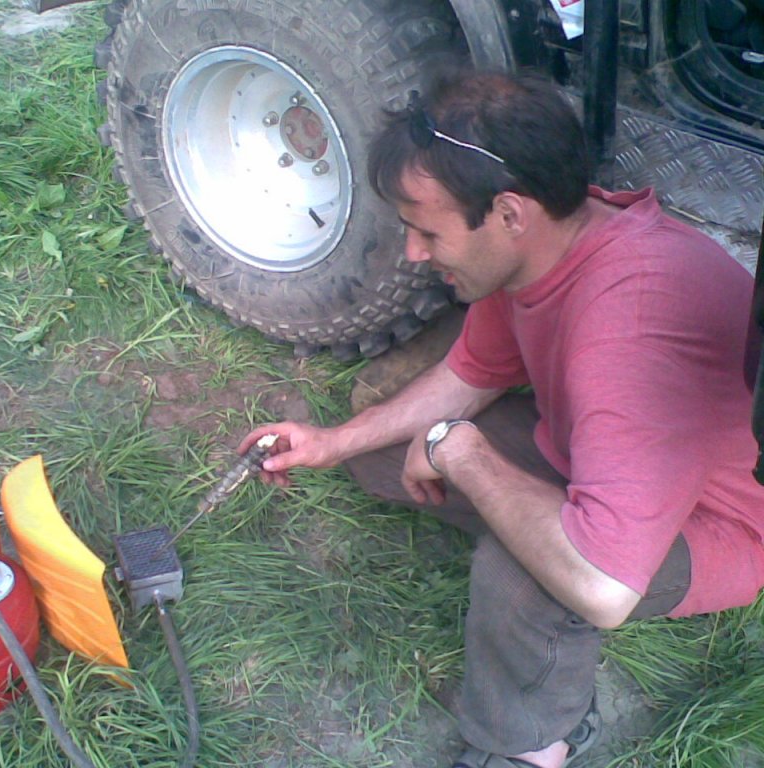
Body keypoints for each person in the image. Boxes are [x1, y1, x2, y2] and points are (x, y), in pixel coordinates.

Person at [239, 70, 764, 768]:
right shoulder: (533, 252)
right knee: (379, 454)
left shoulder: (631, 328)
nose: (413, 252)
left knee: (525, 579)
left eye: (427, 231)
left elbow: (604, 586)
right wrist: (331, 442)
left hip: (715, 520)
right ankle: (529, 520)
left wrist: (460, 451)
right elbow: (471, 374)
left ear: (510, 214)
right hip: (599, 452)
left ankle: (529, 745)